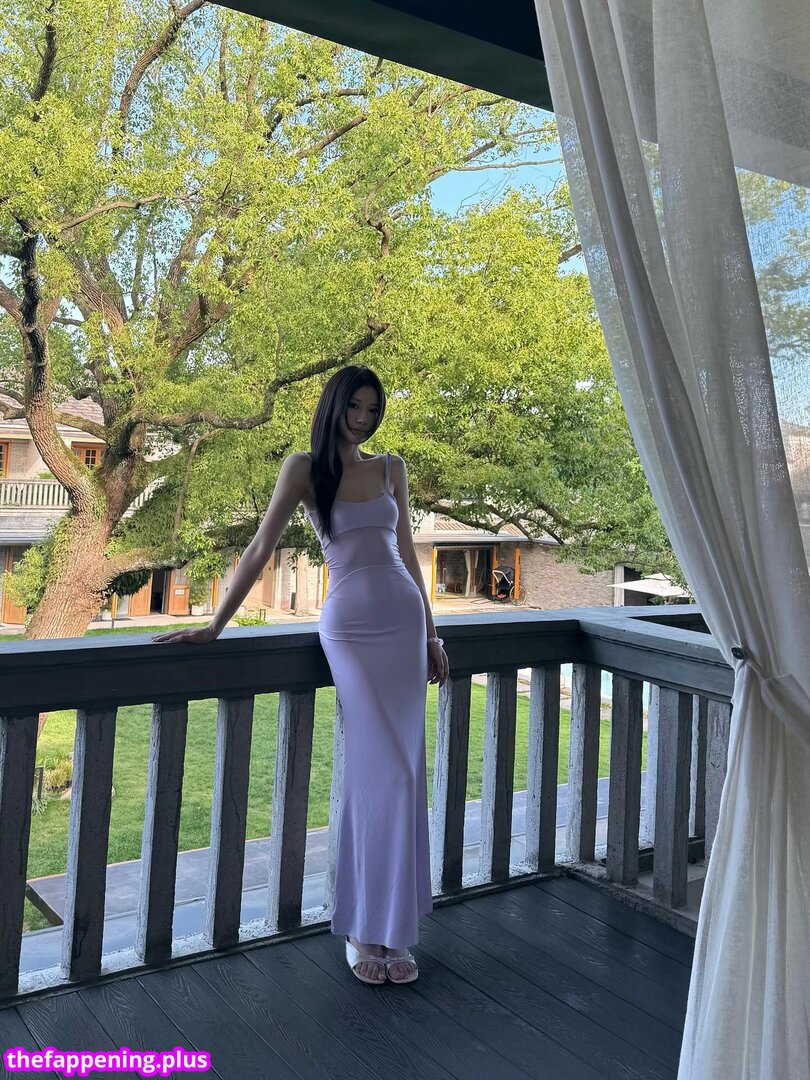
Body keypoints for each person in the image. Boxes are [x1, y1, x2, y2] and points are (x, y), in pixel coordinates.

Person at [153, 365, 449, 986]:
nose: (363, 419)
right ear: (335, 405)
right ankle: (361, 928)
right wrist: (214, 627)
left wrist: (430, 634)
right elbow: (260, 548)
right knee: (377, 772)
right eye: (355, 407)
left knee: (403, 775)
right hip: (350, 629)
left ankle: (394, 930)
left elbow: (407, 556)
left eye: (373, 409)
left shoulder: (392, 468)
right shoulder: (304, 469)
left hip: (401, 624)